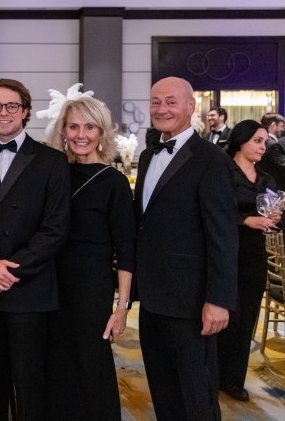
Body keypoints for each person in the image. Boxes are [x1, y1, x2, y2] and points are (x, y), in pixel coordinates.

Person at [0, 78, 71, 420]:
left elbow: (55, 230)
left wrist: (7, 271)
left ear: (25, 112)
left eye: (12, 106)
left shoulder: (52, 161)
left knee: (30, 383)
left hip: (29, 286)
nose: (4, 113)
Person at [134, 76, 238, 421]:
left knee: (197, 397)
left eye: (171, 101)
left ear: (191, 106)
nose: (162, 109)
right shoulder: (148, 155)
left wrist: (219, 299)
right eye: (155, 102)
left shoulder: (212, 159)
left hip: (192, 302)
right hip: (152, 299)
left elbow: (223, 235)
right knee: (163, 392)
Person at [45, 96, 136, 420]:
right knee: (55, 364)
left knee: (90, 364)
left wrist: (122, 308)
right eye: (74, 126)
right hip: (51, 282)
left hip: (91, 288)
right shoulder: (55, 173)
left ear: (102, 132)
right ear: (63, 130)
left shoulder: (114, 183)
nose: (81, 134)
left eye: (89, 126)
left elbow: (127, 249)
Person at [217, 120, 277, 402]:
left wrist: (275, 217)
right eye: (257, 141)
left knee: (247, 318)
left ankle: (234, 379)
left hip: (253, 255)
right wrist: (245, 220)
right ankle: (212, 374)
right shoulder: (221, 171)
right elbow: (212, 212)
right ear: (241, 141)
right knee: (223, 315)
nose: (263, 147)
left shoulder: (266, 178)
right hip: (224, 251)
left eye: (265, 142)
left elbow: (273, 215)